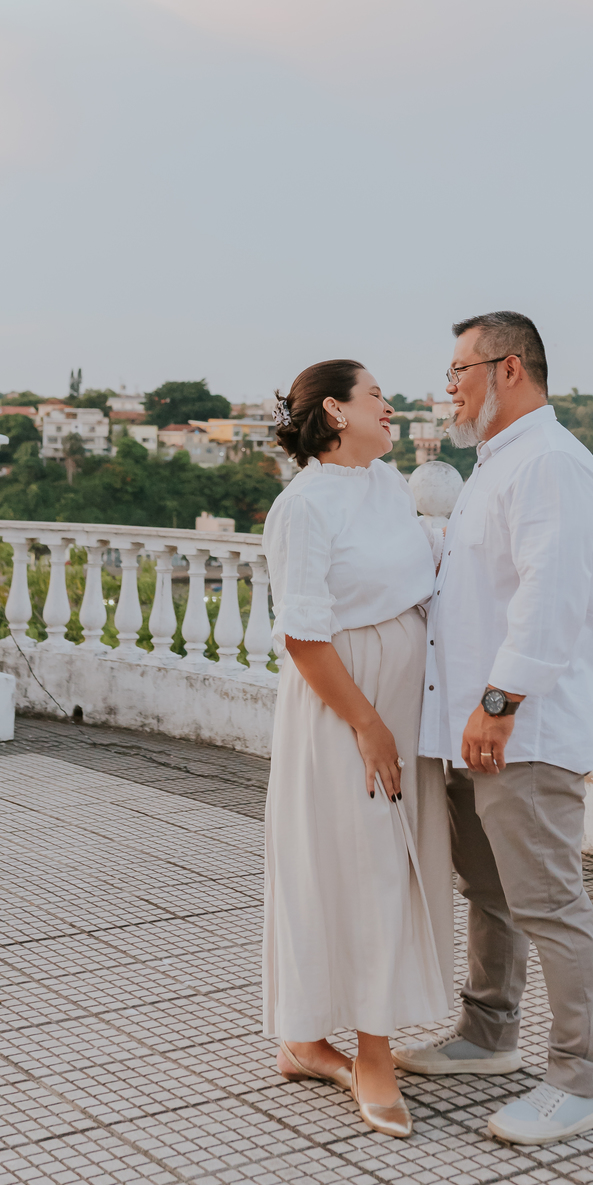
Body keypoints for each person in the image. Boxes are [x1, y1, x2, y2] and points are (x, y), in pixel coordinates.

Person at [392, 311, 593, 1146]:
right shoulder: (493, 466)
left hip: (517, 729)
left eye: (458, 371)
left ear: (508, 369)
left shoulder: (552, 464)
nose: (447, 387)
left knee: (550, 902)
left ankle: (580, 1078)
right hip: (468, 728)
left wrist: (499, 702)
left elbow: (549, 598)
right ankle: (489, 1034)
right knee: (490, 893)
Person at [262, 359, 454, 1139]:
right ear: (337, 412)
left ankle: (307, 1039)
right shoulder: (304, 507)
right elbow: (303, 636)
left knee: (393, 861)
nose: (391, 405)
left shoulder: (385, 486)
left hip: (403, 697)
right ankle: (367, 1050)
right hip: (346, 701)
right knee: (363, 861)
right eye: (377, 394)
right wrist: (367, 723)